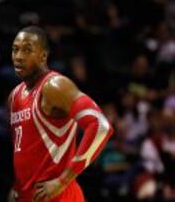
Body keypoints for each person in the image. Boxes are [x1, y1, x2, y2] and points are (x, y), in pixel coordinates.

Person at [8, 26, 114, 202]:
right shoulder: (14, 96)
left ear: (43, 56)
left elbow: (100, 126)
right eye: (15, 49)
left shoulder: (54, 86)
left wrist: (64, 180)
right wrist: (17, 187)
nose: (18, 56)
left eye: (27, 50)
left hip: (59, 196)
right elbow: (26, 151)